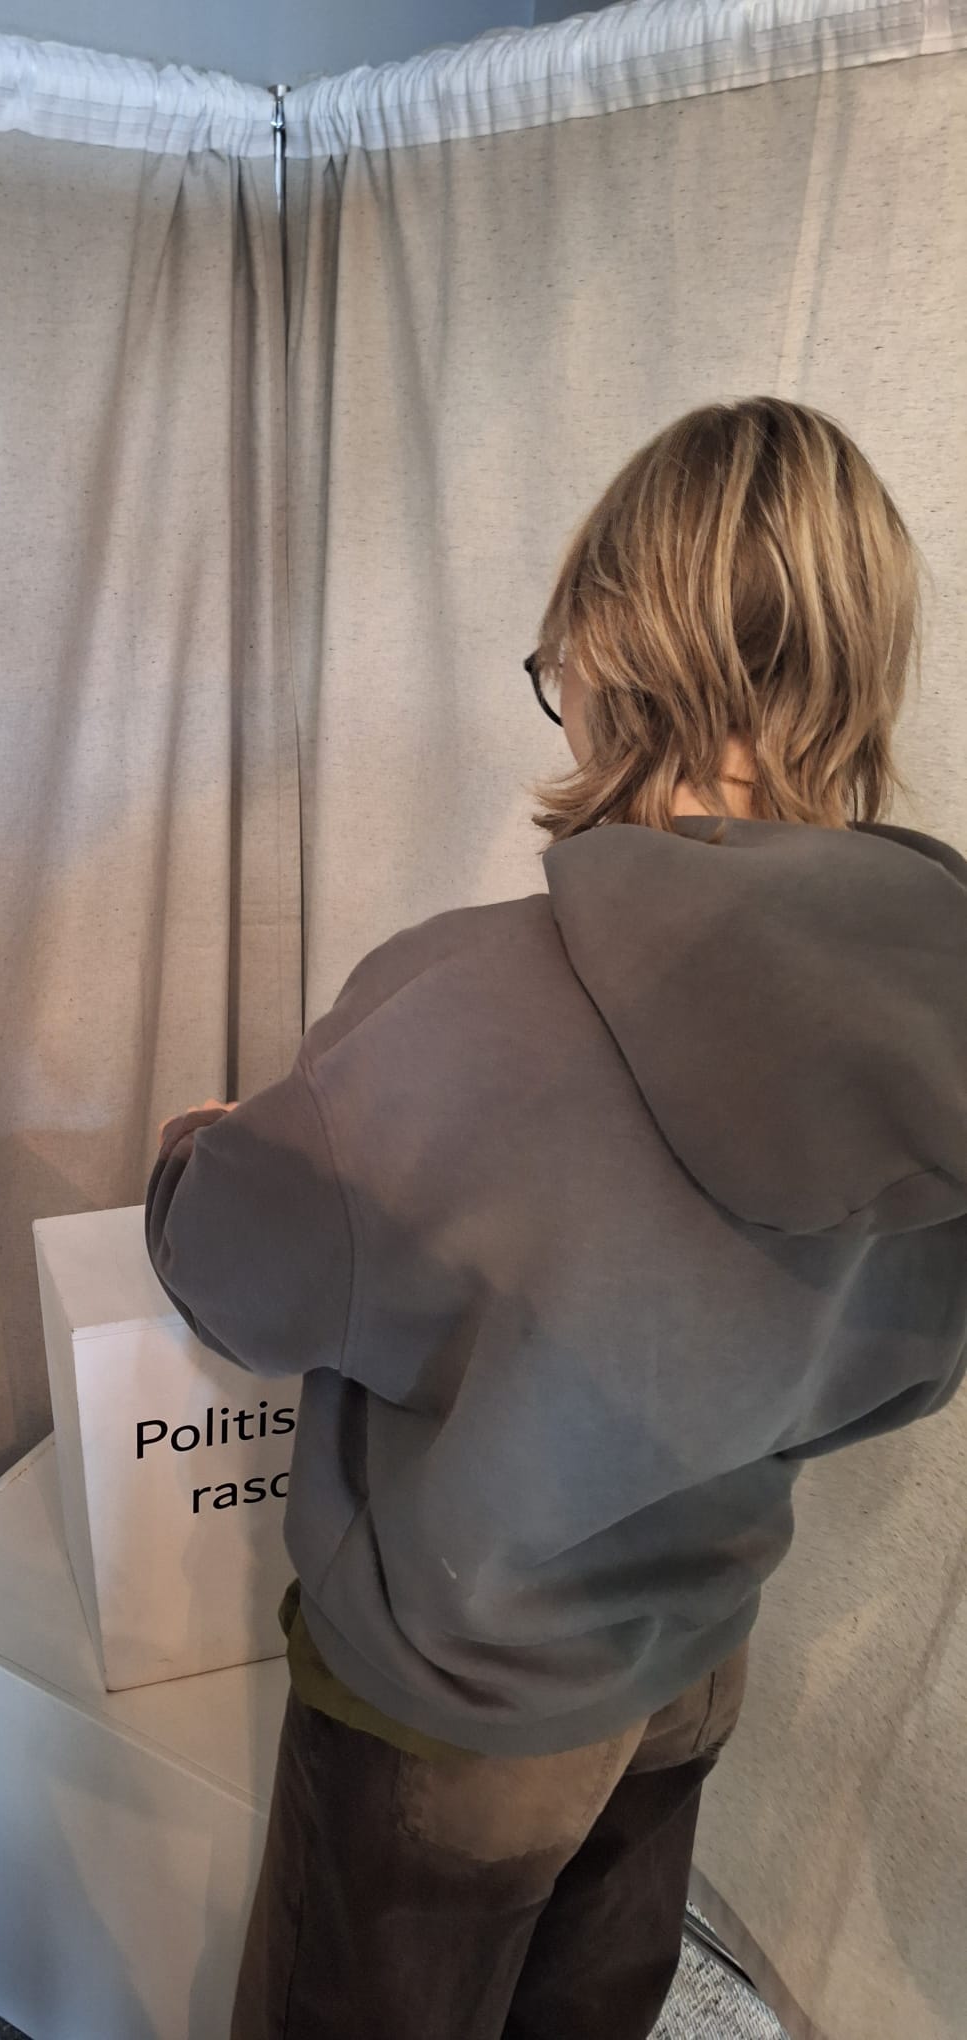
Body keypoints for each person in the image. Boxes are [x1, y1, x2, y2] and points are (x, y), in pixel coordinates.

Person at [144, 397, 967, 2040]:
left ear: (610, 647)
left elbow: (230, 1278)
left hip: (457, 1700)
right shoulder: (940, 989)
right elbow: (906, 1371)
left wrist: (196, 1148)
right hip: (698, 1649)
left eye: (556, 655)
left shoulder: (460, 1000)